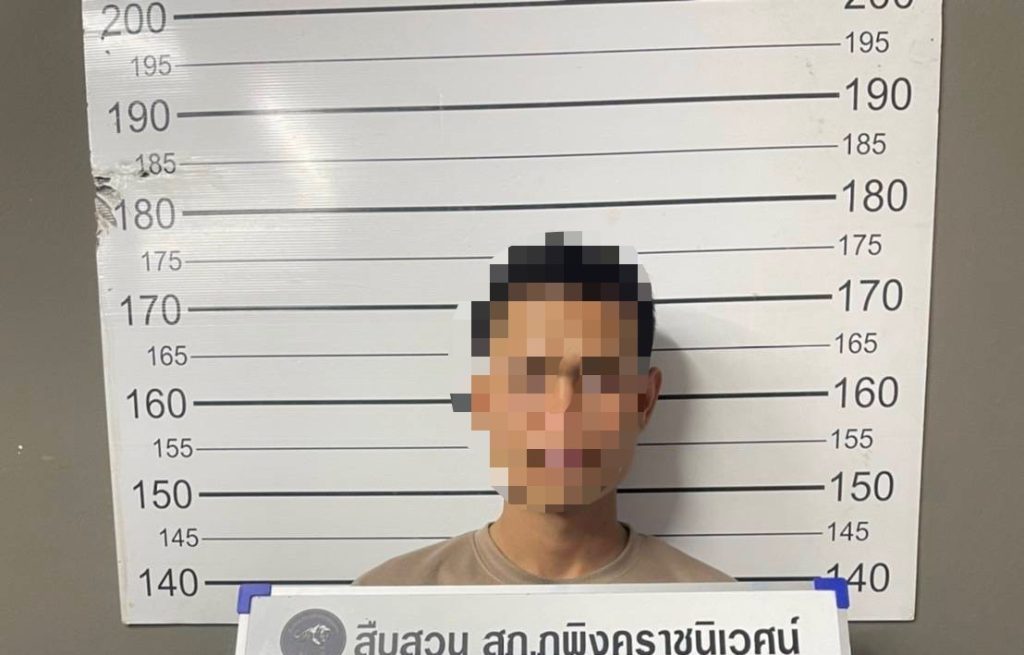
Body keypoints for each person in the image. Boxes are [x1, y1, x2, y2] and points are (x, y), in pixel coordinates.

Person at [354, 231, 734, 585]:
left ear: (643, 401)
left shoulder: (720, 616)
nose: (561, 410)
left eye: (599, 376)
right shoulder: (381, 608)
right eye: (528, 375)